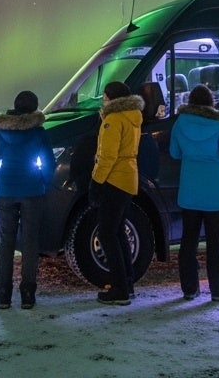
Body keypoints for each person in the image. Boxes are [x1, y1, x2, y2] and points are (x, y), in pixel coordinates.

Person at [0, 90, 56, 310]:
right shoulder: (39, 132)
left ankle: (3, 295)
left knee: (5, 242)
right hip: (32, 190)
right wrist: (43, 182)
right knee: (30, 242)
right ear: (34, 108)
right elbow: (48, 163)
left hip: (5, 190)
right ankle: (28, 293)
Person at [168, 84, 219, 302]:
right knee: (215, 243)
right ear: (211, 102)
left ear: (190, 102)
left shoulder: (180, 123)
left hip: (190, 191)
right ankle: (218, 291)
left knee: (188, 241)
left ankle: (189, 289)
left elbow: (174, 153)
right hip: (214, 193)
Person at [91, 81, 144, 305]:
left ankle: (120, 289)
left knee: (106, 234)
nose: (103, 100)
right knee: (118, 232)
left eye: (104, 96)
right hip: (129, 177)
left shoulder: (113, 120)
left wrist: (96, 181)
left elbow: (107, 156)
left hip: (114, 179)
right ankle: (127, 283)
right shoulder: (133, 117)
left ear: (111, 97)